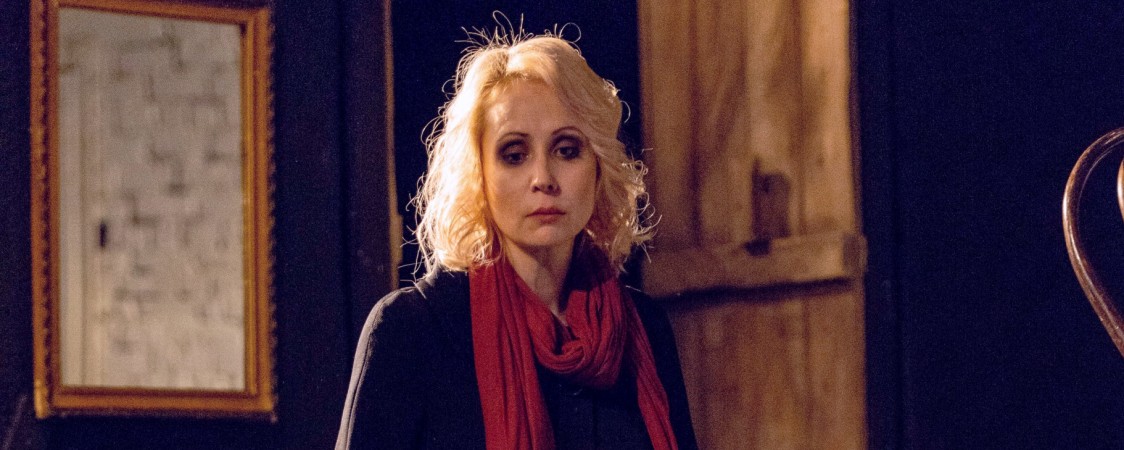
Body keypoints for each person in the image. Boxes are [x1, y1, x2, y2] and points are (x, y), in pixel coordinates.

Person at [336, 28, 698, 450]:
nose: (543, 178)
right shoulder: (411, 331)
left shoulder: (642, 328)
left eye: (566, 150)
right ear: (479, 174)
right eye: (514, 155)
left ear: (599, 168)